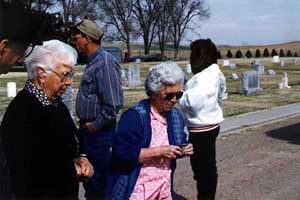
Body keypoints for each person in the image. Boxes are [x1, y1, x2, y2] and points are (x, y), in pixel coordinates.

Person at [0, 40, 94, 199]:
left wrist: (82, 157)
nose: (69, 82)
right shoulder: (23, 111)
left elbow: (74, 138)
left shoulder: (55, 105)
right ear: (41, 74)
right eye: (65, 74)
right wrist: (73, 171)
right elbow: (33, 169)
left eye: (71, 74)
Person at [106, 61, 193, 200]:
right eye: (169, 96)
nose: (174, 100)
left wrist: (184, 148)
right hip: (137, 189)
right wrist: (159, 151)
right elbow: (121, 154)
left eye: (178, 95)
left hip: (163, 188)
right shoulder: (134, 117)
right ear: (154, 92)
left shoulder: (175, 116)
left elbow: (179, 140)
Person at [73, 19, 124, 200]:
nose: (75, 40)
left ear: (87, 38)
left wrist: (94, 125)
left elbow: (114, 105)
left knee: (98, 183)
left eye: (77, 36)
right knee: (90, 182)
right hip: (89, 132)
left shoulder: (105, 63)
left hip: (99, 134)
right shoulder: (93, 62)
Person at [178, 39, 226, 200]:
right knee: (205, 166)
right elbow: (220, 96)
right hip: (209, 124)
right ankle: (206, 194)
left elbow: (192, 102)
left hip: (202, 128)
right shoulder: (213, 73)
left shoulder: (206, 78)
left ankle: (205, 197)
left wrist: (179, 95)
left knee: (203, 169)